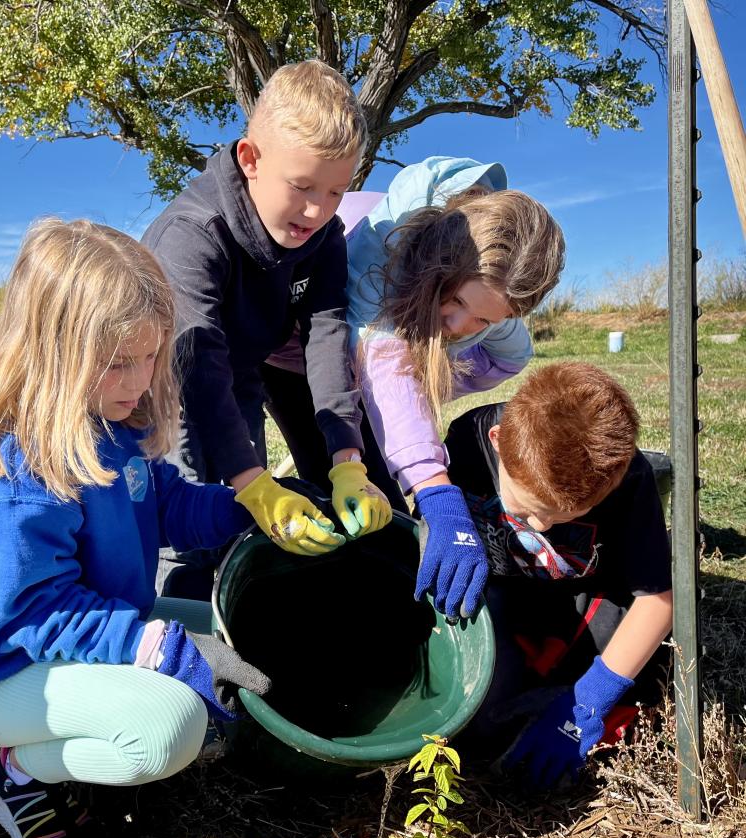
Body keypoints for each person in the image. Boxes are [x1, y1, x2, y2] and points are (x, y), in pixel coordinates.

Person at [0, 219, 271, 838]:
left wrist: (251, 509)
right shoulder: (11, 475)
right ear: (55, 352)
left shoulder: (98, 414)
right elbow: (33, 614)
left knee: (236, 629)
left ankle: (109, 715)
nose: (139, 380)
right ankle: (17, 772)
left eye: (151, 356)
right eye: (117, 363)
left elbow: (161, 501)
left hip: (87, 624)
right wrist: (156, 648)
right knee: (168, 730)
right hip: (1, 669)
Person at [141, 60, 396, 600]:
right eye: (302, 186)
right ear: (251, 159)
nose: (317, 209)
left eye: (335, 192)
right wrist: (252, 482)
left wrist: (346, 458)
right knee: (186, 525)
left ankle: (233, 617)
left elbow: (326, 336)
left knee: (239, 524)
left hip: (241, 380)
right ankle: (178, 626)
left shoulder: (324, 238)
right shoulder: (192, 236)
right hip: (164, 392)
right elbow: (197, 365)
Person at [344, 157, 565, 619]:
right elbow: (383, 357)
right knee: (356, 481)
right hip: (300, 345)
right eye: (458, 300)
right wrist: (438, 493)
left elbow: (512, 358)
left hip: (387, 367)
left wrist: (423, 390)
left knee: (387, 481)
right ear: (443, 265)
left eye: (484, 318)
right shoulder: (382, 250)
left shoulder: (494, 305)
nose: (459, 325)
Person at [444, 362, 673, 788]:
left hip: (585, 599)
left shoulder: (629, 474)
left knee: (646, 669)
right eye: (528, 509)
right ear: (497, 443)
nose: (541, 528)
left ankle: (565, 698)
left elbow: (657, 600)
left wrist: (588, 704)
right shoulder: (469, 439)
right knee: (477, 716)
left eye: (564, 516)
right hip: (503, 595)